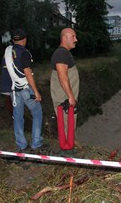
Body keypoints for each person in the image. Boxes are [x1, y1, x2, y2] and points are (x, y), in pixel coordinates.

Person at [0, 28, 44, 152]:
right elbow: (27, 72)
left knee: (18, 116)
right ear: (24, 39)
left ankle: (21, 144)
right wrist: (36, 91)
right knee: (37, 113)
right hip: (24, 88)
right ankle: (36, 142)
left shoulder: (7, 52)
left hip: (12, 90)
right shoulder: (24, 53)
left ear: (13, 40)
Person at [50, 28, 80, 156]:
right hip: (64, 98)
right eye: (73, 37)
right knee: (66, 122)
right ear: (64, 38)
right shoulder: (61, 54)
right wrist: (70, 96)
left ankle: (69, 146)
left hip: (66, 96)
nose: (76, 40)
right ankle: (66, 150)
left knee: (70, 122)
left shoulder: (64, 53)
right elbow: (62, 77)